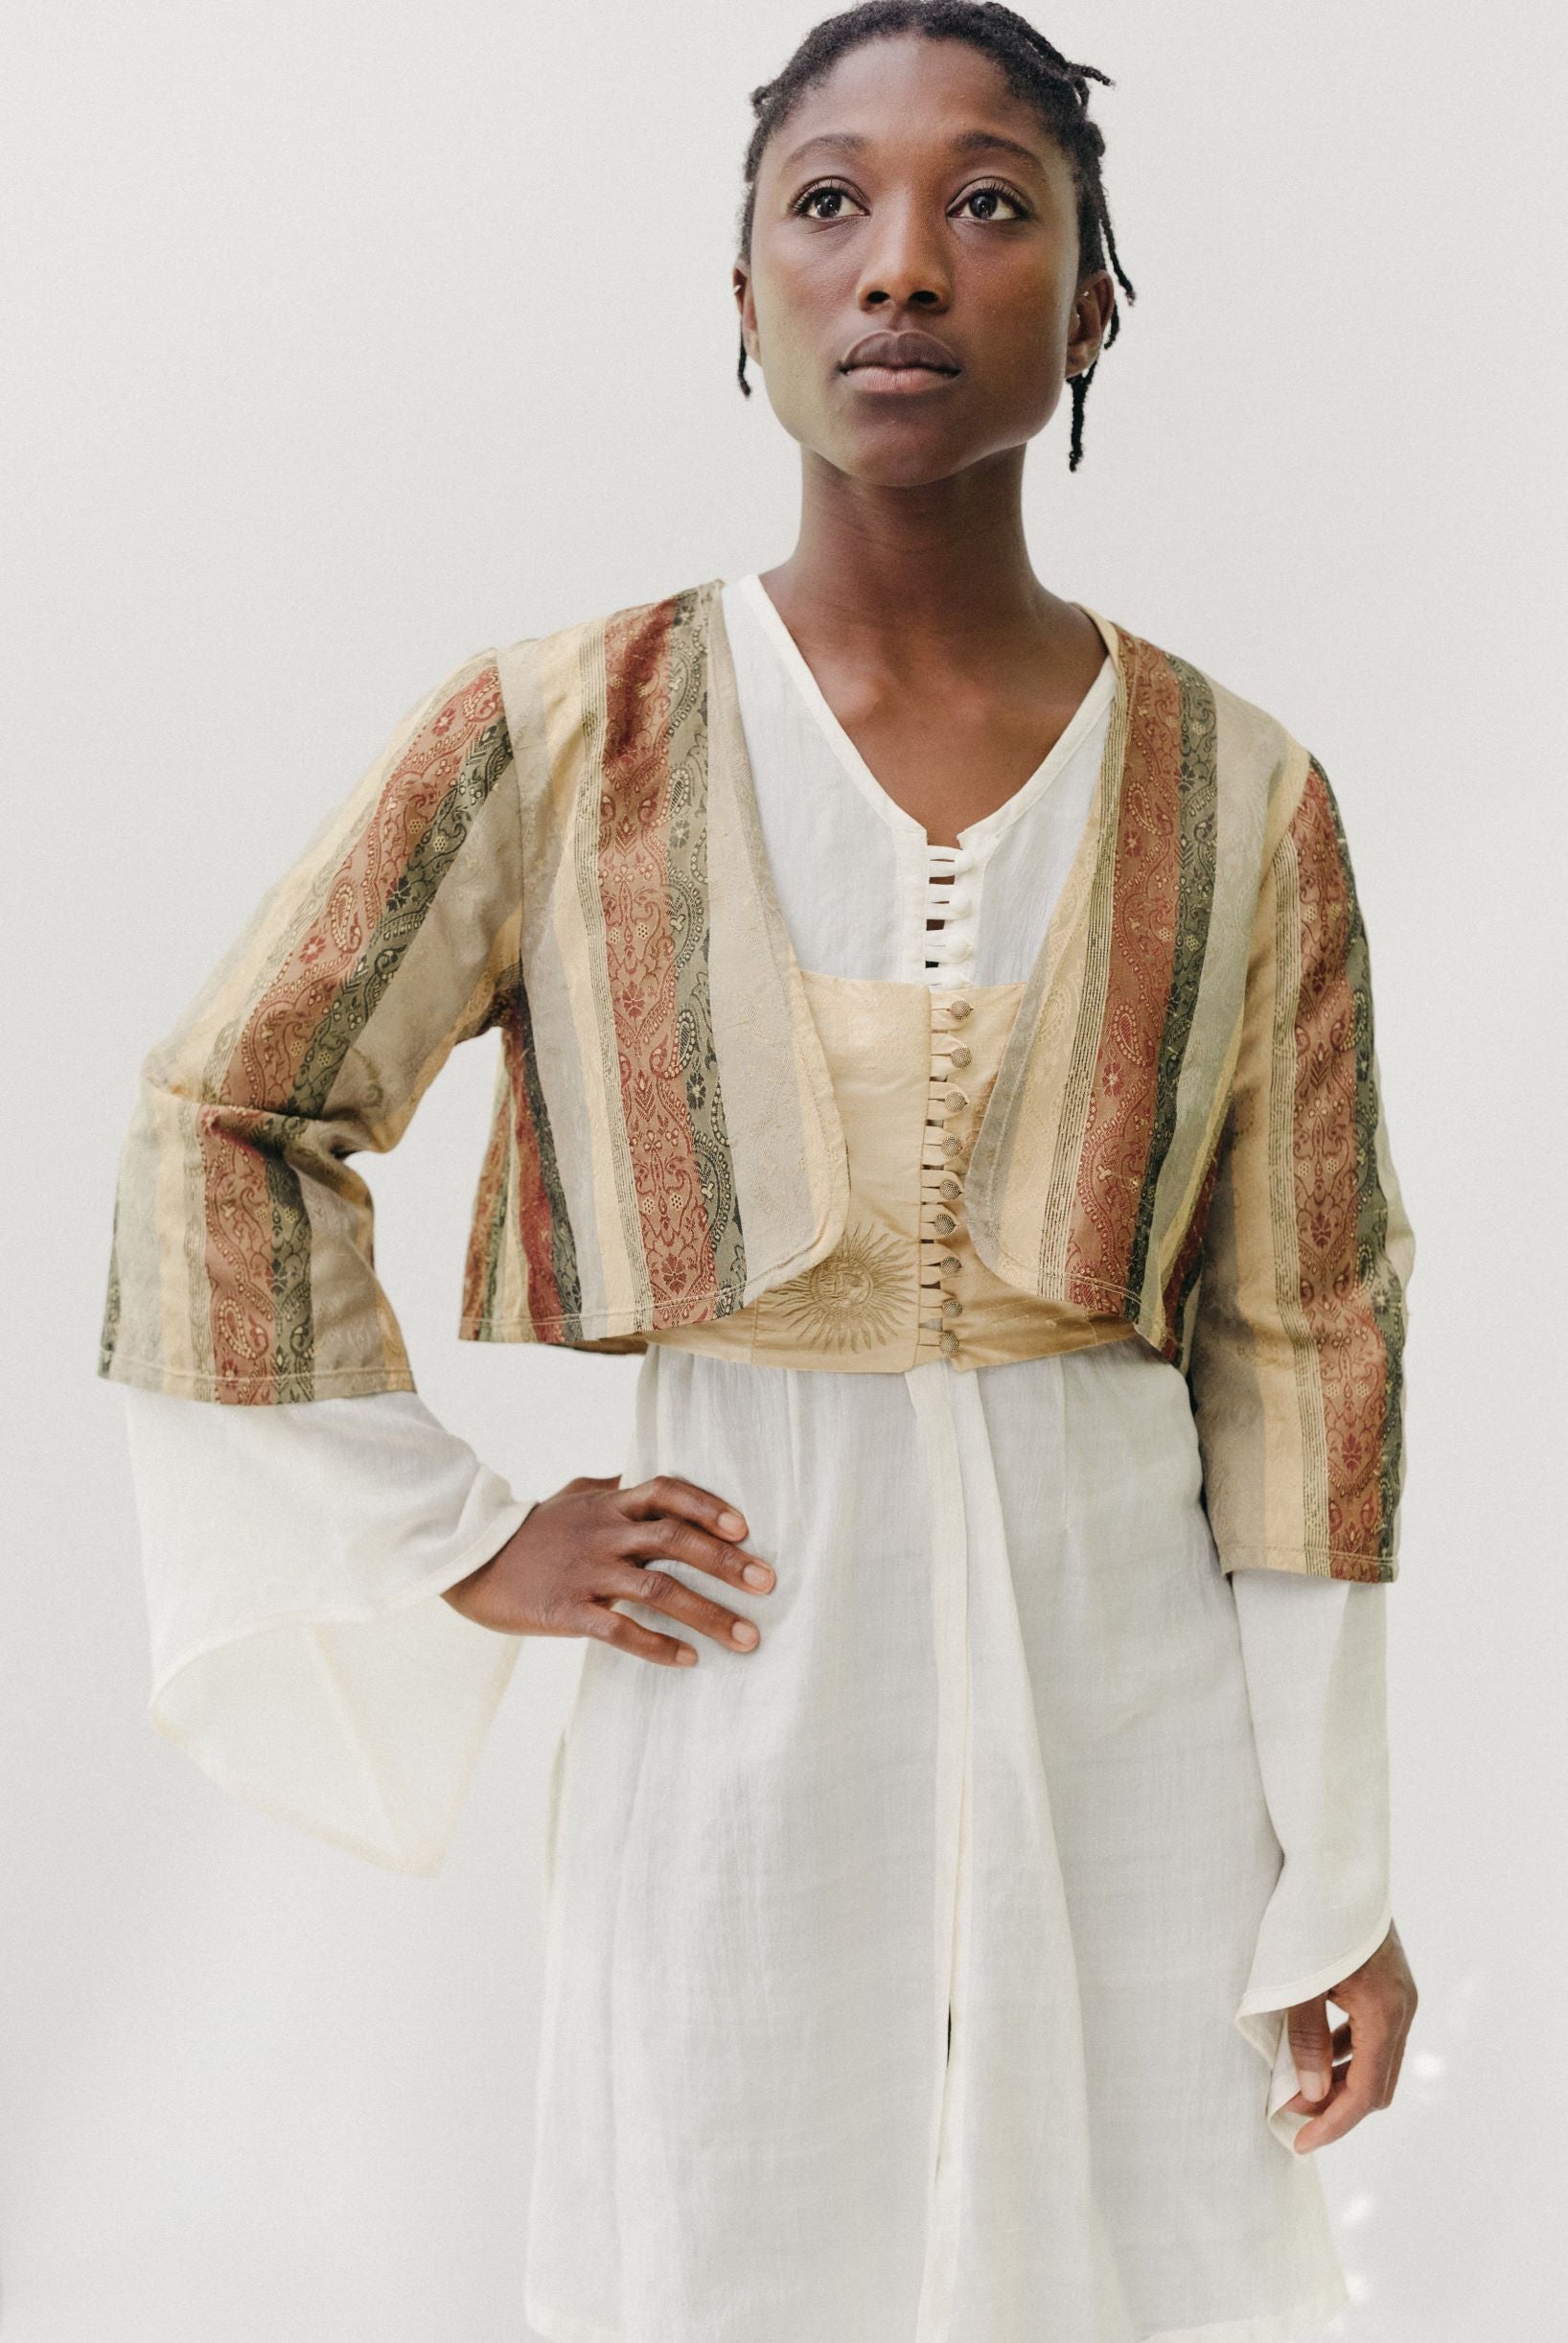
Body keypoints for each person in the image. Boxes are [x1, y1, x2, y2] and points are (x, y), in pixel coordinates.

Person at [98, 5, 1419, 2337]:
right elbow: (232, 1112)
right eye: (829, 204)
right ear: (740, 296)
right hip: (737, 1669)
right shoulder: (556, 729)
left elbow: (1308, 1325)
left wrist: (1330, 1873)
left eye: (987, 204)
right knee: (718, 2236)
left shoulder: (1243, 793)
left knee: (1142, 2260)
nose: (900, 265)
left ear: (1090, 302)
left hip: (1139, 1718)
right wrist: (451, 1538)